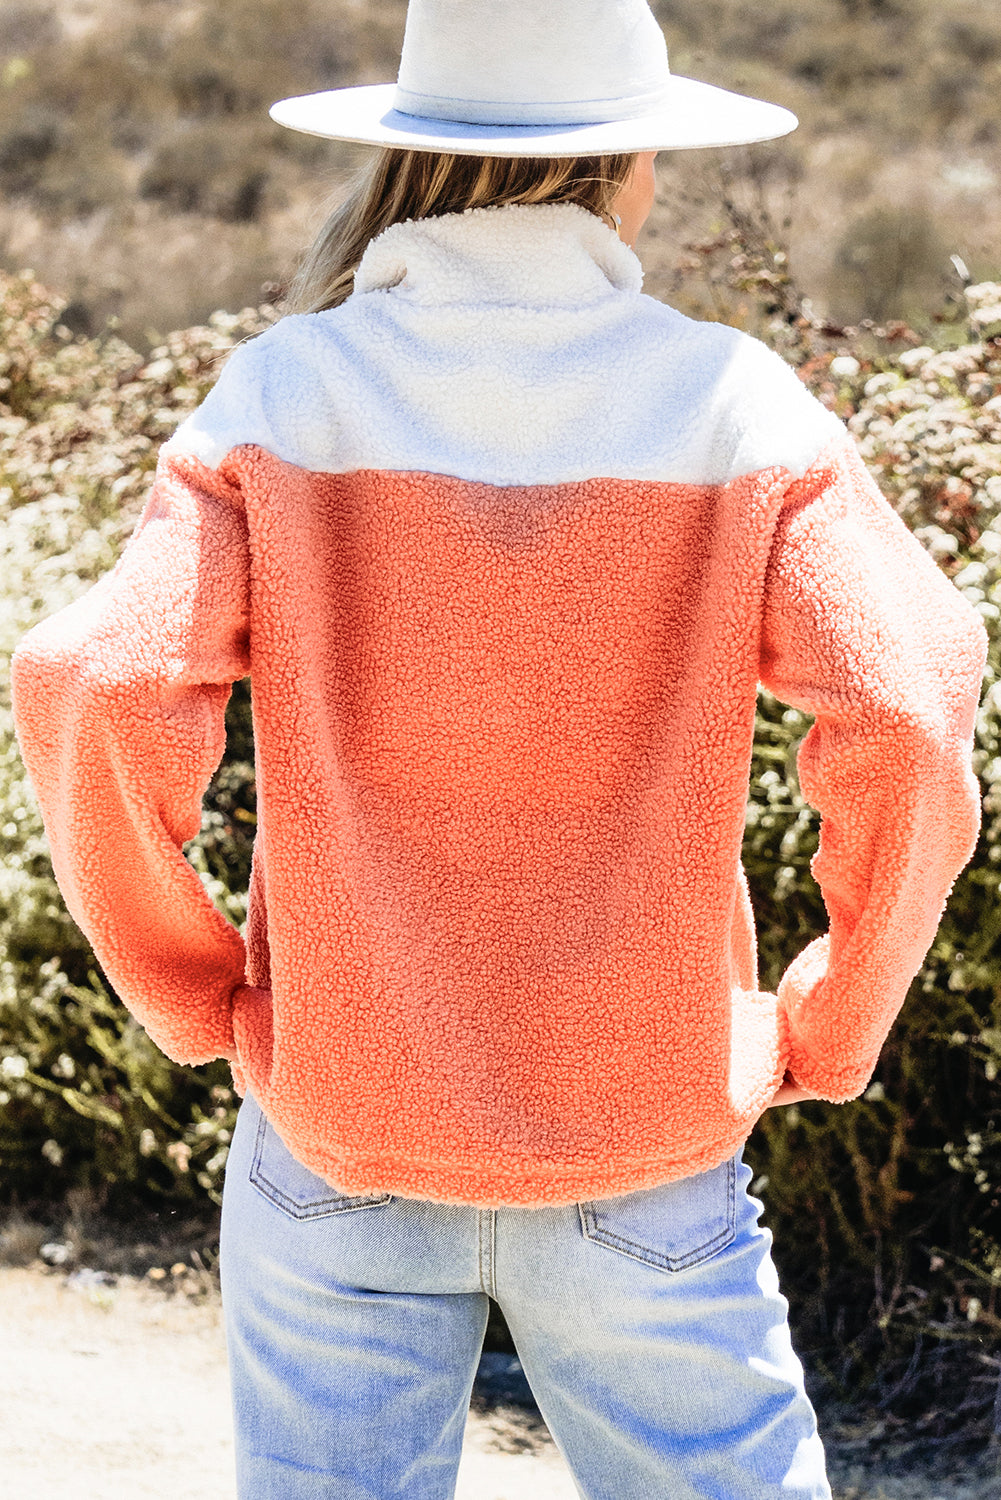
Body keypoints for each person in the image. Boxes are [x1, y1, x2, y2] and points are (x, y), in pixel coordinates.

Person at [9, 2, 987, 1497]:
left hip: (335, 1125)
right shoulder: (732, 402)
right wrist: (832, 1021)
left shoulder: (284, 389)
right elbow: (911, 707)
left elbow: (92, 682)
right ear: (630, 164)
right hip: (642, 1134)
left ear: (412, 155)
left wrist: (196, 992)